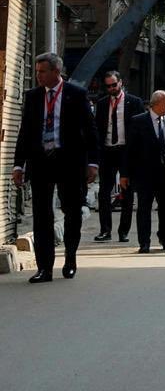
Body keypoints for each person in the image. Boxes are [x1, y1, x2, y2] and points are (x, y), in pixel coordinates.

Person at [13, 52, 99, 283]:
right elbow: (25, 133)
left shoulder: (76, 94)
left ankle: (70, 258)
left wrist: (92, 163)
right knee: (42, 214)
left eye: (42, 71)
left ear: (55, 72)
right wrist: (18, 165)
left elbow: (90, 131)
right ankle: (44, 268)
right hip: (41, 161)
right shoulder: (32, 97)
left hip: (69, 162)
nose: (38, 76)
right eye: (37, 71)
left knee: (72, 211)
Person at [121, 90, 165, 253]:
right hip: (145, 175)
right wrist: (124, 173)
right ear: (156, 104)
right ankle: (144, 241)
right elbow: (129, 150)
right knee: (144, 208)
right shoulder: (138, 121)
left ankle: (164, 237)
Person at [93, 70, 145, 243]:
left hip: (126, 151)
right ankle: (105, 230)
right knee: (104, 193)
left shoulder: (134, 102)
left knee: (127, 193)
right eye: (108, 86)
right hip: (108, 150)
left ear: (120, 83)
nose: (111, 89)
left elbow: (139, 130)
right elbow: (97, 130)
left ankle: (124, 231)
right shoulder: (101, 104)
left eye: (114, 85)